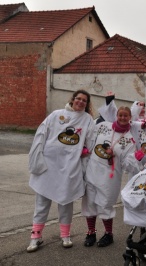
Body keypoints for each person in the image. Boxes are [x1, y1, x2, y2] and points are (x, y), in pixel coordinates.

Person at [27, 90, 95, 252]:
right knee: (42, 203)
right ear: (72, 100)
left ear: (87, 104)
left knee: (65, 202)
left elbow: (91, 140)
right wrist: (37, 159)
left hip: (69, 168)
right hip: (49, 167)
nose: (80, 102)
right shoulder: (56, 115)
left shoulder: (87, 120)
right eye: (78, 98)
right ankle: (35, 236)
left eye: (84, 100)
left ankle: (65, 235)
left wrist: (86, 150)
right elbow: (41, 135)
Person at [82, 106, 140, 248]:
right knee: (89, 202)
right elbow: (90, 139)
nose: (122, 118)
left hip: (109, 177)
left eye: (126, 116)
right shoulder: (103, 126)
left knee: (105, 204)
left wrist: (118, 153)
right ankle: (91, 232)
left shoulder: (129, 140)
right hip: (93, 171)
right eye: (120, 115)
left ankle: (109, 234)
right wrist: (84, 148)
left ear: (130, 118)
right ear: (116, 115)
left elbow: (128, 165)